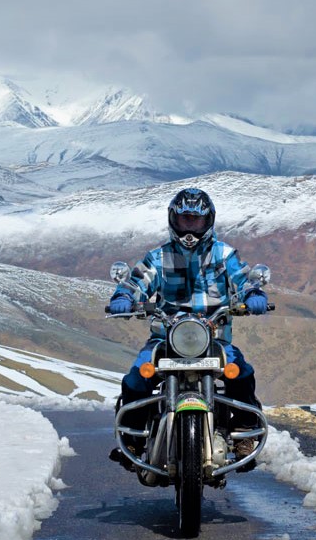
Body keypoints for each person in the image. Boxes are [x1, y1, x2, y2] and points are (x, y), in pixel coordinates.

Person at [107, 188, 268, 465]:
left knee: (241, 373)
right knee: (136, 379)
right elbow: (138, 281)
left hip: (215, 339)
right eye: (185, 221)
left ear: (209, 222)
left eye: (196, 221)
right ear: (173, 221)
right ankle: (132, 442)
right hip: (165, 340)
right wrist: (125, 296)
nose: (190, 228)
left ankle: (243, 435)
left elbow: (243, 280)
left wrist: (253, 294)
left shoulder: (224, 255)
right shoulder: (158, 257)